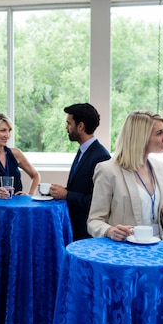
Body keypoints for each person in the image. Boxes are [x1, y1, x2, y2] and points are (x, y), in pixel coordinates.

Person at [87, 110, 163, 241]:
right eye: (159, 133)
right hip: (125, 250)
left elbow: (153, 218)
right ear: (141, 137)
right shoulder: (108, 170)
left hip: (157, 247)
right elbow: (94, 221)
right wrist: (110, 231)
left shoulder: (159, 168)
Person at [48, 103, 111, 240]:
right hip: (75, 226)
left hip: (86, 232)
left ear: (81, 126)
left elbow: (97, 201)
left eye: (69, 123)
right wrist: (59, 192)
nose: (66, 128)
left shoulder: (101, 156)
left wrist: (66, 195)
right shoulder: (84, 150)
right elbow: (81, 188)